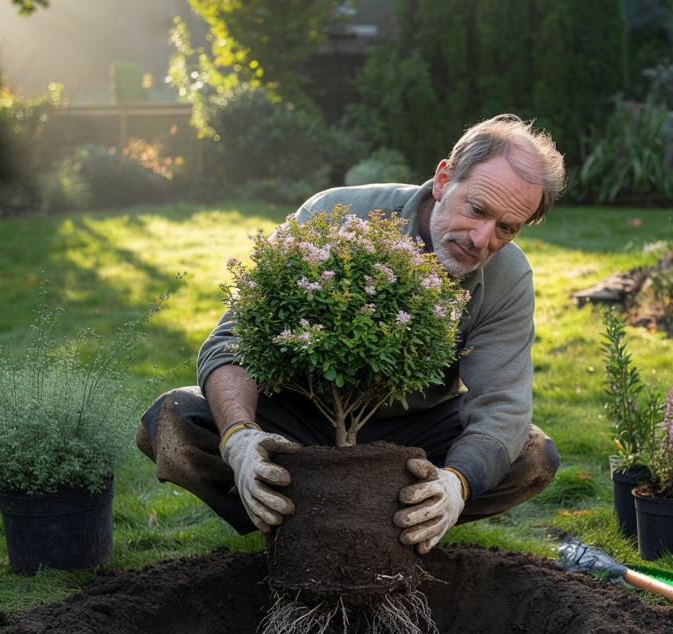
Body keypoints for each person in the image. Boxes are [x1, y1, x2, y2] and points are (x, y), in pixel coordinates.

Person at [136, 114, 563, 554]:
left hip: (409, 437)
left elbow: (503, 405)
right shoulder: (334, 218)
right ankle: (288, 515)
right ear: (443, 180)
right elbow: (232, 342)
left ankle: (398, 524)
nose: (481, 238)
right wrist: (241, 440)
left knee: (531, 455)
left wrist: (457, 485)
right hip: (299, 420)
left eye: (506, 228)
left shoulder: (508, 277)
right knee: (172, 422)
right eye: (477, 209)